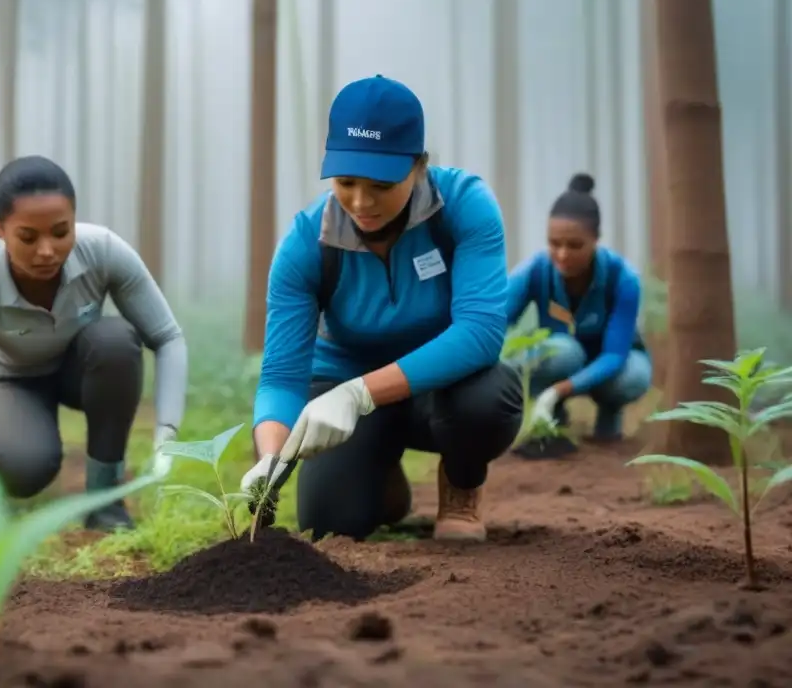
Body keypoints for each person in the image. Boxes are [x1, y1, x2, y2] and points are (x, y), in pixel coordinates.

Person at [240, 75, 524, 543]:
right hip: (343, 392)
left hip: (445, 392)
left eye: (381, 184)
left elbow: (479, 333)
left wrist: (360, 394)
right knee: (329, 524)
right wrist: (270, 457)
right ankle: (378, 474)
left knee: (486, 400)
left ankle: (461, 485)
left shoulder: (465, 207)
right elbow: (281, 378)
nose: (360, 202)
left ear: (419, 167)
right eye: (346, 182)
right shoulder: (304, 244)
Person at [0, 155, 187, 531]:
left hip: (79, 366)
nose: (47, 251)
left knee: (116, 342)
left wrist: (166, 434)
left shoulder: (103, 251)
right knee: (26, 471)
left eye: (60, 232)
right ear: (0, 228)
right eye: (28, 237)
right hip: (4, 378)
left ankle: (104, 502)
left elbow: (167, 336)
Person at [504, 173, 651, 446]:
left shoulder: (623, 278)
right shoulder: (534, 271)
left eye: (574, 245)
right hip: (561, 356)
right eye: (554, 243)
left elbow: (614, 356)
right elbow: (495, 321)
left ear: (596, 239)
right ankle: (552, 420)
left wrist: (558, 391)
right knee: (563, 352)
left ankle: (608, 418)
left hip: (612, 363)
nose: (562, 254)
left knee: (634, 376)